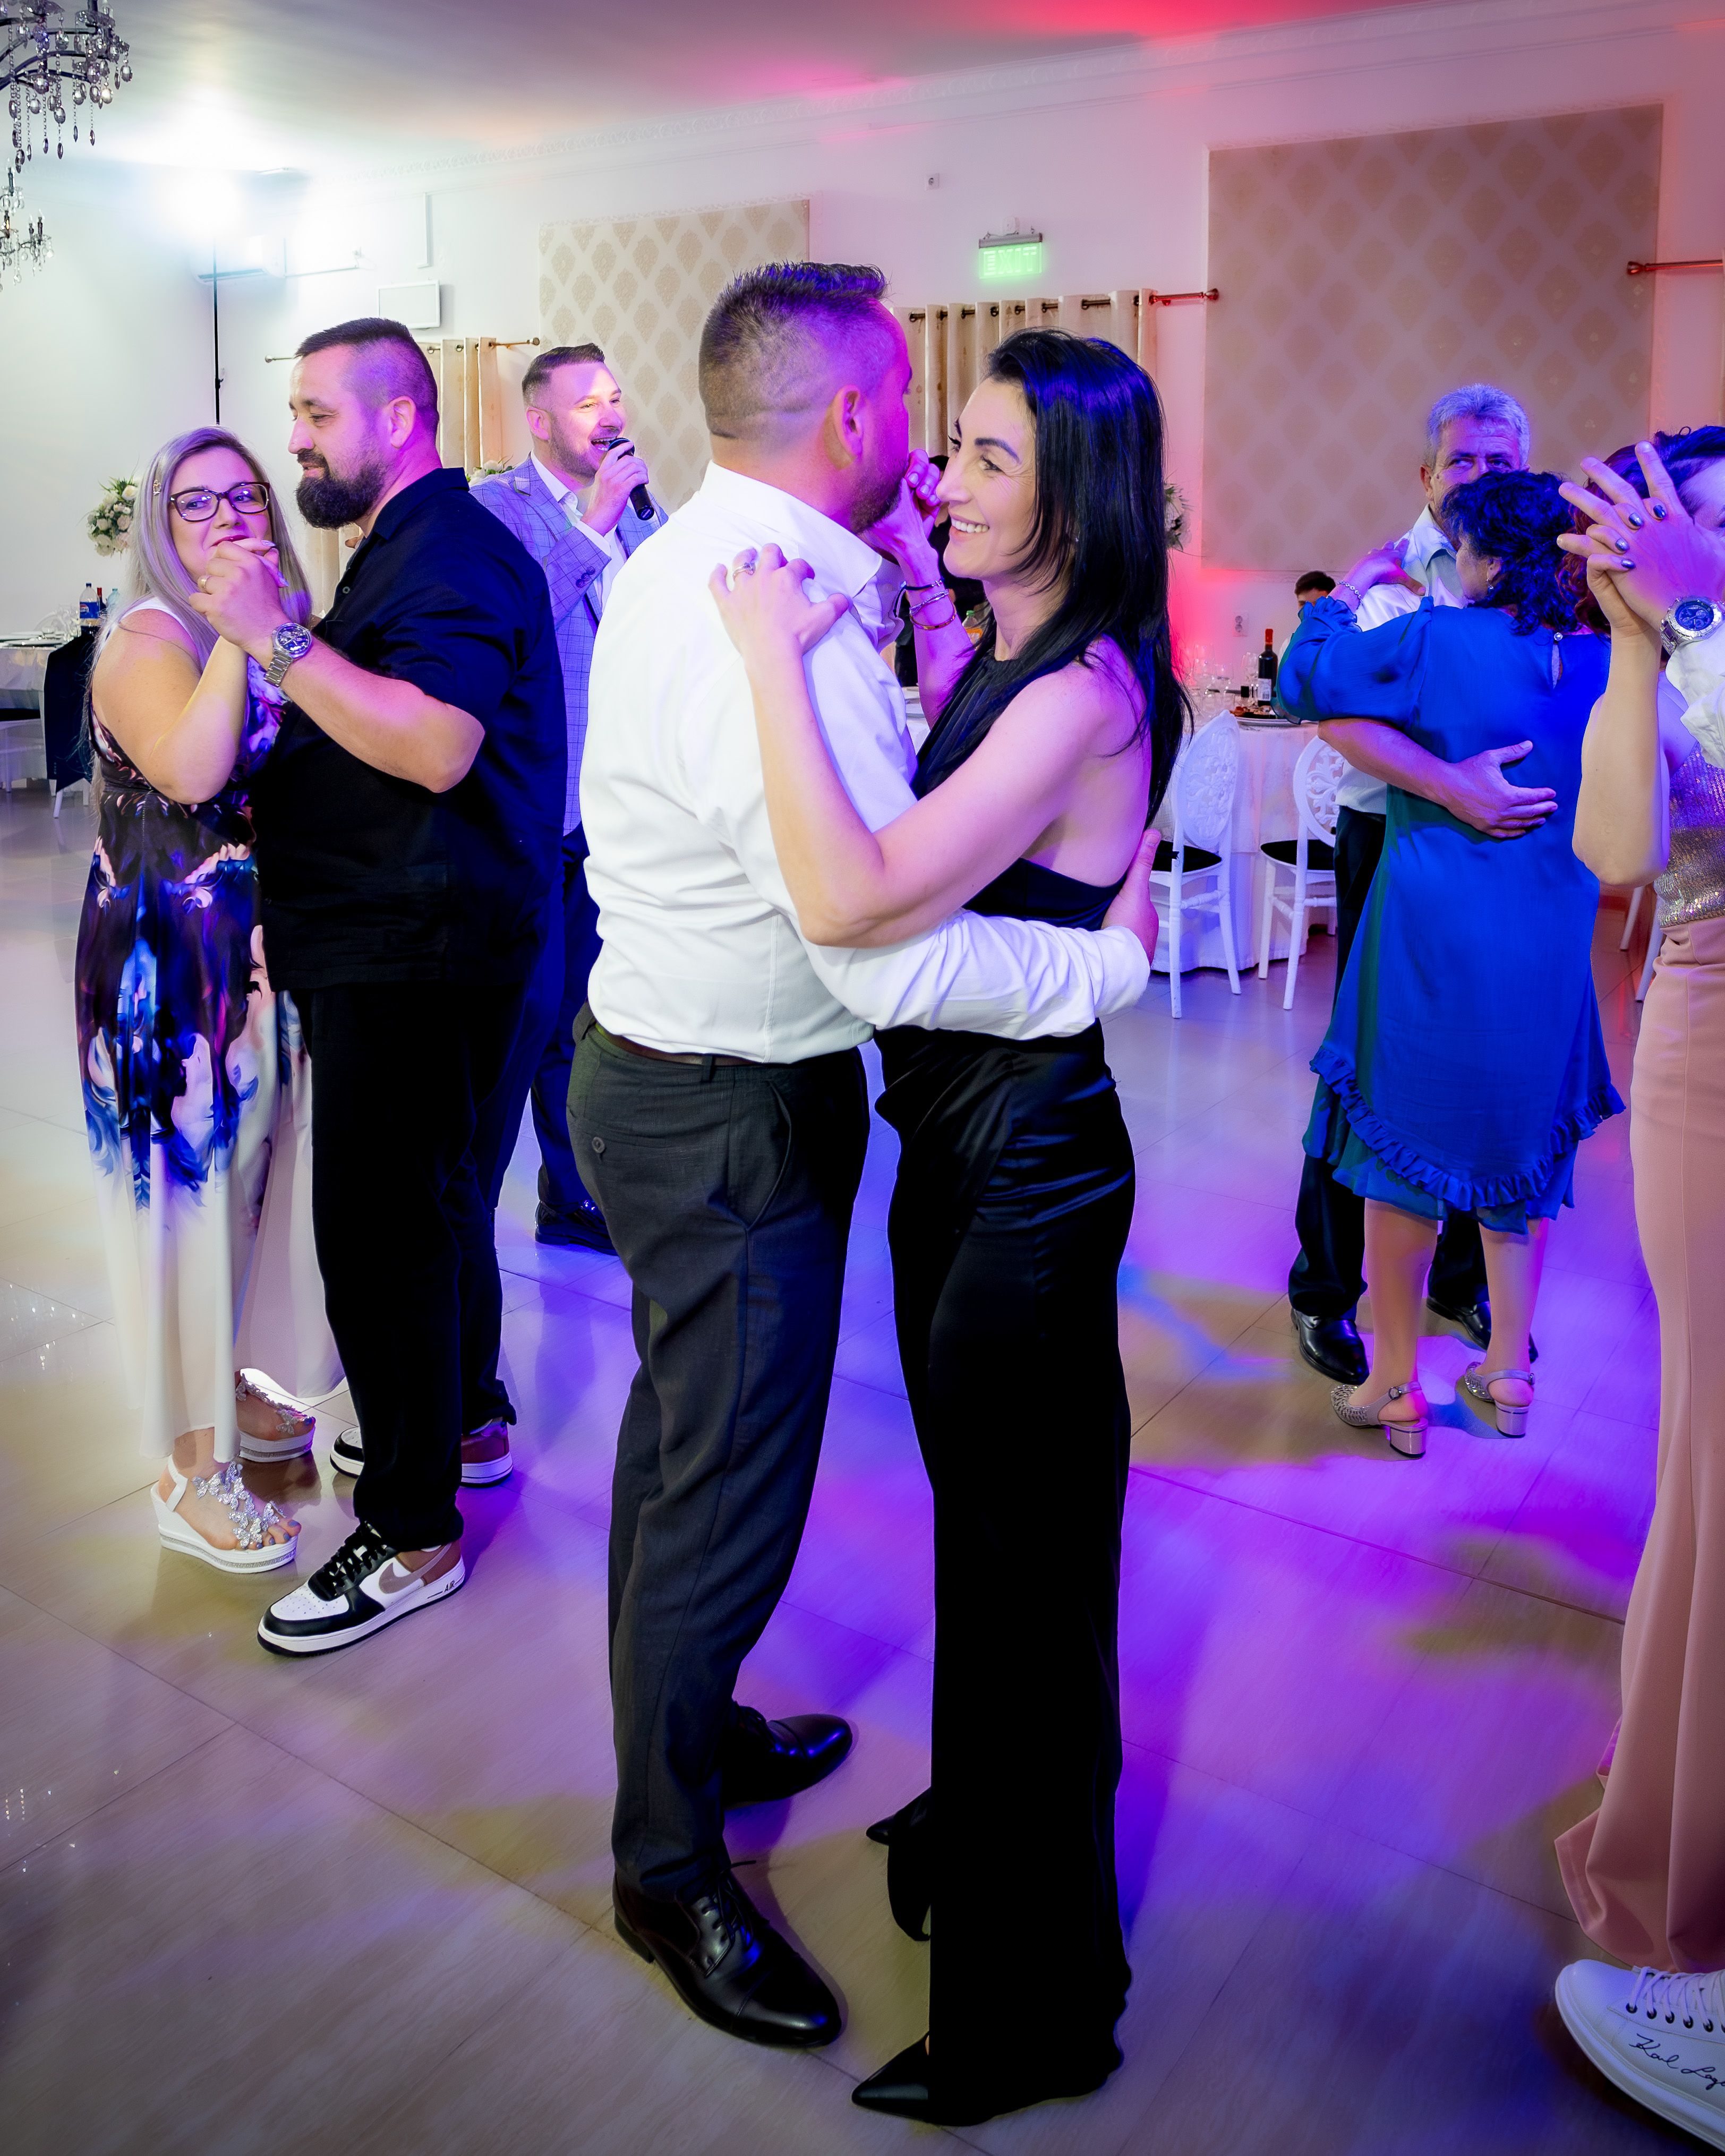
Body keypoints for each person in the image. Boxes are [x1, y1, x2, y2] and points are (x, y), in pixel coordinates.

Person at [570, 263, 1158, 2059]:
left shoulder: (706, 564)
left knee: (682, 1460)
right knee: (719, 1493)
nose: (930, 461)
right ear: (852, 414)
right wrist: (1099, 969)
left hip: (682, 1078)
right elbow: (872, 949)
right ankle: (666, 1862)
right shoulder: (781, 613)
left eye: (981, 449)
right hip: (731, 1111)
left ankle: (691, 1742)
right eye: (925, 419)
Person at [710, 326, 1179, 2125]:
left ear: (1078, 490)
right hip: (968, 1150)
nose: (940, 477)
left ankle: (1034, 2014)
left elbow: (852, 893)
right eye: (953, 446)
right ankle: (988, 1845)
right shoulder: (1010, 648)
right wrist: (904, 605)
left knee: (1019, 1591)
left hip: (1028, 1176)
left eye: (986, 457)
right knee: (993, 1559)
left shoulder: (1082, 693)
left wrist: (769, 655)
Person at [187, 317, 565, 1654]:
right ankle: (459, 1422)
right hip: (411, 938)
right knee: (437, 1199)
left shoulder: (449, 551)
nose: (295, 439)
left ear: (399, 416)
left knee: (382, 1229)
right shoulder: (403, 547)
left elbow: (437, 745)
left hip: (422, 951)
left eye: (316, 414)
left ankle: (409, 1532)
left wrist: (272, 638)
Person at [1278, 468, 1622, 1458]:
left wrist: (1352, 584)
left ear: (1479, 556)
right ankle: (1509, 1371)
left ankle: (1395, 1386)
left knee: (1398, 1154)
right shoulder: (1606, 660)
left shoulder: (1440, 639)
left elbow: (1304, 679)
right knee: (1524, 1150)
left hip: (1432, 934)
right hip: (1550, 941)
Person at [78, 425, 340, 1571]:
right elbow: (192, 770)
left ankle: (224, 1387)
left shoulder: (271, 621)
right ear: (158, 525)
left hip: (254, 958)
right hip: (165, 974)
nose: (229, 516)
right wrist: (242, 629)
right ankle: (188, 1471)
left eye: (245, 496)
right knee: (184, 1206)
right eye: (197, 503)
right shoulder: (149, 635)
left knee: (246, 1193)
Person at [1550, 440, 1725, 2152]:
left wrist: (1702, 613)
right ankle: (1688, 1828)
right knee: (1708, 1457)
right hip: (1706, 1056)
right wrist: (1639, 644)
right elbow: (1617, 845)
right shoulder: (1669, 652)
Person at [1285, 384, 1552, 1387]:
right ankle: (1325, 1289)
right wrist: (1449, 784)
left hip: (1510, 856)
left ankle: (1459, 1278)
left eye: (1499, 460)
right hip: (1390, 841)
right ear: (1428, 474)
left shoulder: (1547, 573)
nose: (1479, 475)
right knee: (1363, 1068)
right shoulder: (1393, 581)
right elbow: (1333, 713)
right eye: (1462, 459)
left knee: (1489, 1065)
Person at [471, 344, 667, 1255]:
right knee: (529, 1016)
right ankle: (473, 1207)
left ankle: (572, 1193)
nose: (611, 416)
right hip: (534, 807)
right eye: (588, 403)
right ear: (540, 421)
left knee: (593, 1012)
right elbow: (511, 631)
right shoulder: (494, 511)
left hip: (619, 807)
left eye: (615, 397)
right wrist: (592, 527)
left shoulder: (642, 513)